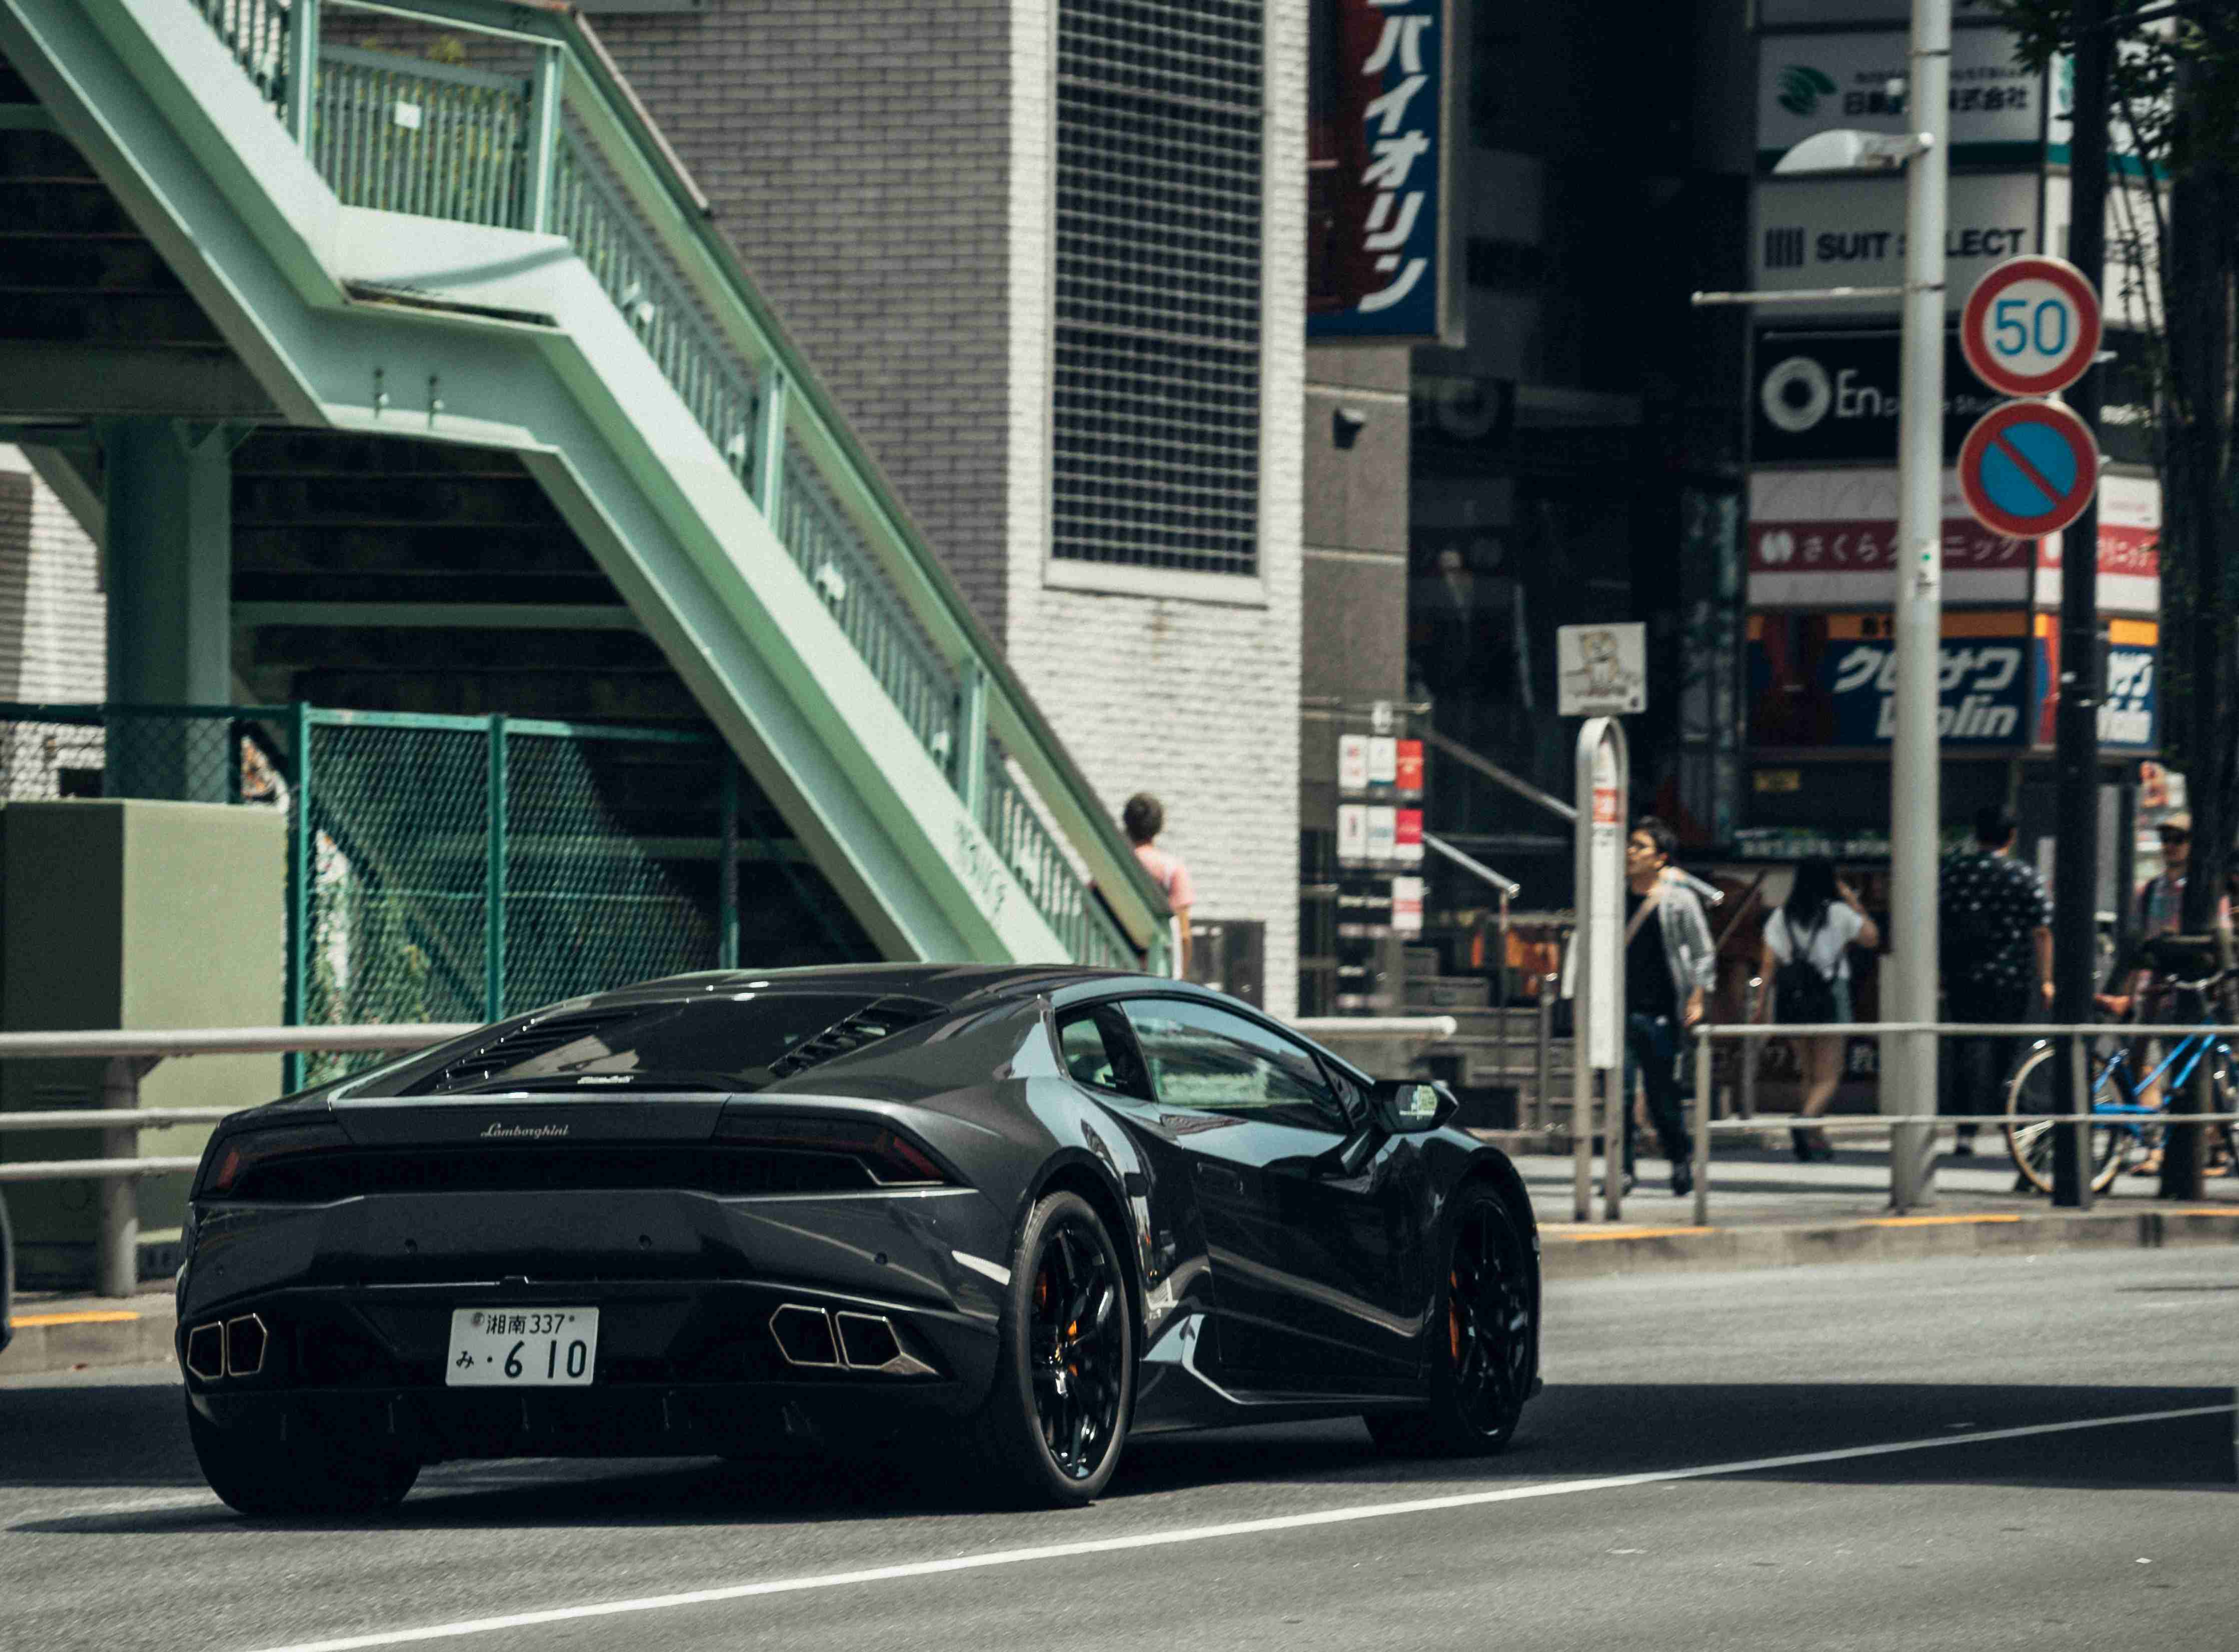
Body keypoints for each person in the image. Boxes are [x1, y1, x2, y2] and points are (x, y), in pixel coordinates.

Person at [1937, 806, 2054, 1153]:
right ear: (2011, 836)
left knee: (1965, 1051)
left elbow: (1938, 923)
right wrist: (2045, 978)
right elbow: (2042, 930)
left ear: (1976, 835)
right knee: (2006, 1053)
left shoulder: (1954, 874)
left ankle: (1965, 1132)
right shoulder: (2023, 876)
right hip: (2010, 978)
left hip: (1962, 978)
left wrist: (1939, 973)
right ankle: (2010, 1129)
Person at [1758, 857, 1879, 1163]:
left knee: (1809, 1074)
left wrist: (1760, 1005)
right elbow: (1871, 938)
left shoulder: (1781, 916)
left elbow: (1768, 966)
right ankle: (1804, 1123)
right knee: (1829, 1076)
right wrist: (1854, 901)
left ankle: (1814, 1138)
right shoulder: (1837, 913)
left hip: (1792, 999)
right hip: (1829, 998)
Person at [1621, 817, 1715, 1196]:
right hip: (1616, 1013)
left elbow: (1702, 951)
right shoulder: (1612, 897)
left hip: (1660, 1011)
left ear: (1660, 858)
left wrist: (1697, 996)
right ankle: (1623, 1169)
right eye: (1630, 845)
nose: (1630, 852)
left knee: (1663, 1096)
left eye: (1640, 847)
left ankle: (1679, 1159)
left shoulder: (1678, 900)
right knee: (1620, 1095)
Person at [1123, 793, 1195, 978]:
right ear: (1159, 826)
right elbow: (1184, 934)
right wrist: (1184, 975)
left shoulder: (1117, 863)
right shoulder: (1172, 868)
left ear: (1127, 823)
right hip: (1159, 970)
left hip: (1117, 963)